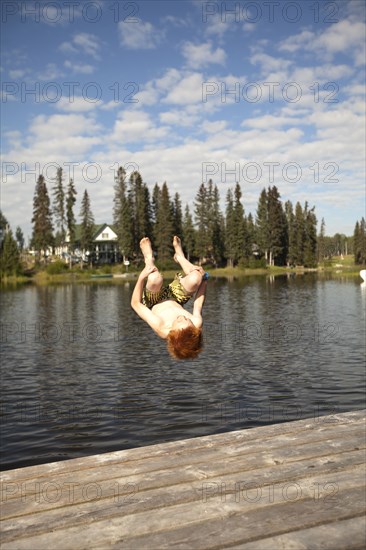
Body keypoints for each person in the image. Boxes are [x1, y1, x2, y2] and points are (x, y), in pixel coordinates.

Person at [131, 236, 208, 360]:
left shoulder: (160, 326)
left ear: (172, 333)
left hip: (153, 300)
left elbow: (135, 304)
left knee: (155, 278)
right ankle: (180, 257)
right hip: (176, 297)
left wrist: (141, 277)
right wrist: (204, 280)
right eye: (186, 320)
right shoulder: (196, 324)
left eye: (179, 321)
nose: (183, 317)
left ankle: (149, 259)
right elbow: (198, 304)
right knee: (196, 278)